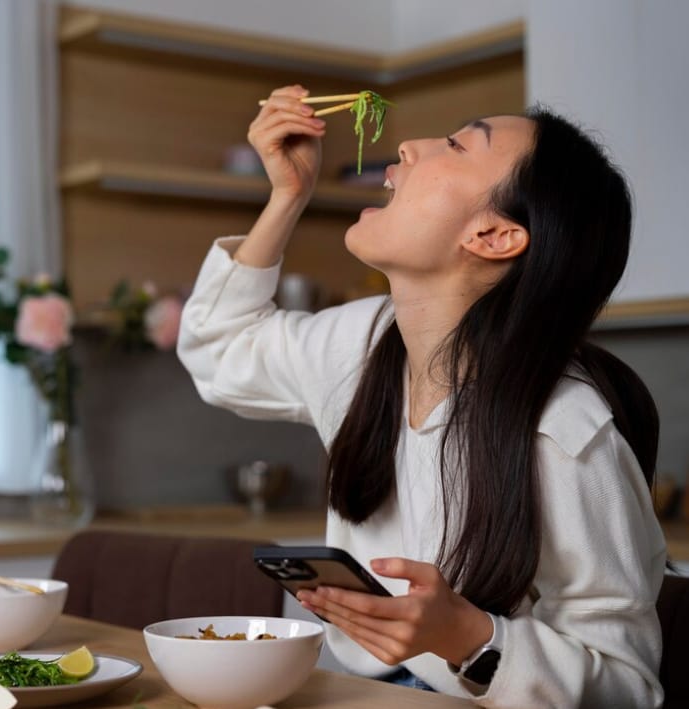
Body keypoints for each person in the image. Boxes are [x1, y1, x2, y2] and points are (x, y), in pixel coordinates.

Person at [177, 85, 666, 707]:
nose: (408, 146)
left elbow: (627, 687)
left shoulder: (564, 431)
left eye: (458, 144)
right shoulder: (362, 341)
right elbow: (218, 350)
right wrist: (286, 196)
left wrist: (469, 636)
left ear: (493, 235)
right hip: (339, 690)